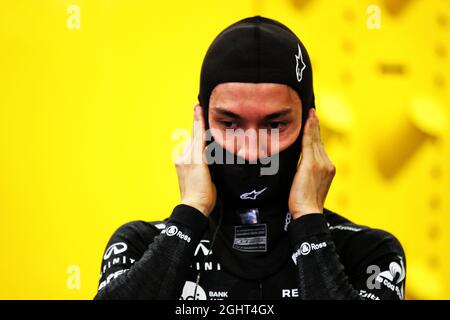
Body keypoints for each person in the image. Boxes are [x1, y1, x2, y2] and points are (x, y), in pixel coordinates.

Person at [94, 16, 406, 300]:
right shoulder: (138, 244)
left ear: (310, 126)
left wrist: (310, 221)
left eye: (275, 125)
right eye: (229, 124)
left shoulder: (369, 252)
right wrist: (190, 212)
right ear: (201, 124)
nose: (251, 150)